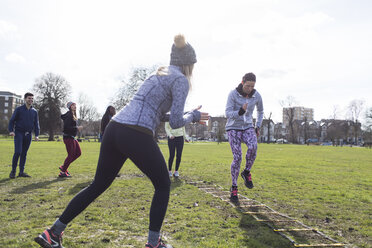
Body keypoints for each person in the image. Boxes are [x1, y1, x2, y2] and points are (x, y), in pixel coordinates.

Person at [35, 34, 209, 248]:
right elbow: (175, 121)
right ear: (189, 64)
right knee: (163, 184)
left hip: (114, 129)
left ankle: (53, 232)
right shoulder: (181, 80)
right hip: (135, 133)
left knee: (97, 185)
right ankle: (154, 244)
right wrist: (192, 116)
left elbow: (154, 112)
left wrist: (189, 112)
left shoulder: (157, 74)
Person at [225, 73, 263, 201]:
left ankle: (246, 172)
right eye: (247, 86)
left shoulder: (256, 95)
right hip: (233, 127)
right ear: (242, 82)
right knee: (238, 157)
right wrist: (240, 112)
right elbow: (228, 113)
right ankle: (234, 187)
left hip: (248, 126)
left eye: (252, 86)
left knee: (253, 147)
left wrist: (257, 126)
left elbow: (260, 111)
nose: (250, 88)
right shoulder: (233, 94)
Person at [8, 92, 40, 179]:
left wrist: (36, 135)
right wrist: (11, 131)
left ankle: (21, 172)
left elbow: (36, 124)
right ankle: (13, 171)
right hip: (19, 133)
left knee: (24, 153)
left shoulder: (34, 111)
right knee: (18, 152)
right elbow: (12, 121)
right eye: (29, 98)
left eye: (32, 99)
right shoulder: (19, 109)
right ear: (25, 99)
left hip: (28, 135)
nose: (31, 100)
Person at [58, 102, 83, 177]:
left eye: (75, 105)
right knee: (71, 155)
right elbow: (67, 128)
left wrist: (76, 129)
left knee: (78, 153)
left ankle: (64, 166)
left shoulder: (73, 115)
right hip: (68, 137)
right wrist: (77, 128)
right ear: (69, 107)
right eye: (73, 105)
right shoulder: (69, 115)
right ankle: (62, 172)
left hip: (72, 137)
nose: (75, 106)